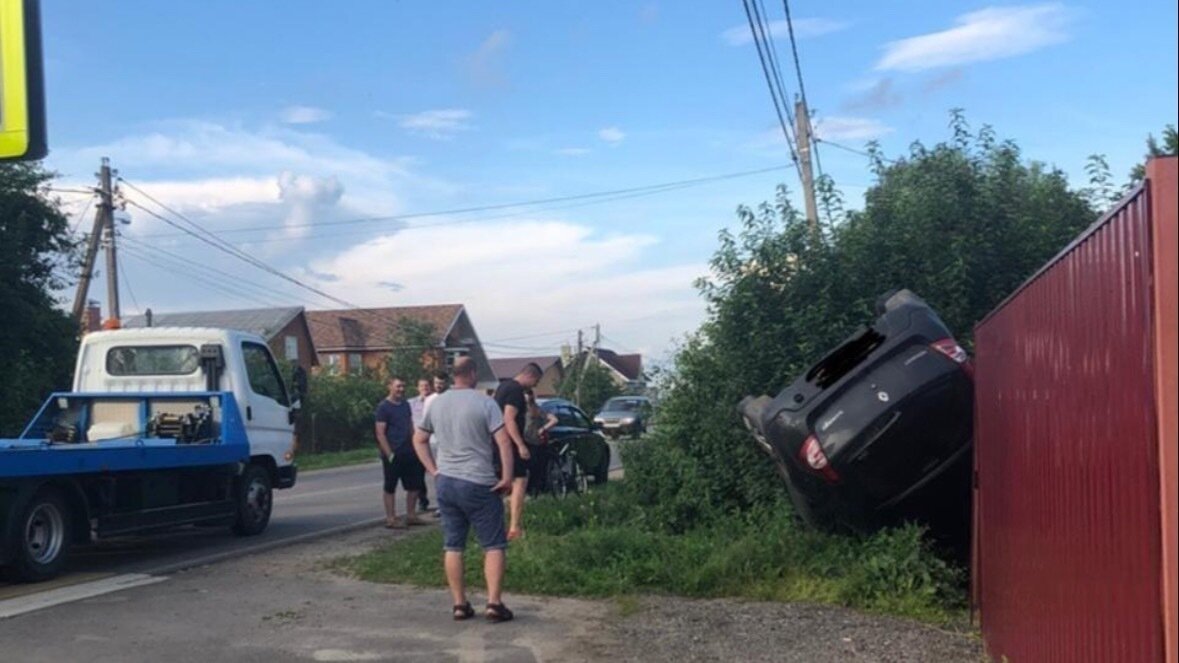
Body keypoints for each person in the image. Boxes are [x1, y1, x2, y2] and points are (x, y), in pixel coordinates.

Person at [413, 357, 515, 622]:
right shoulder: (485, 402)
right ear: (472, 374)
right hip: (479, 481)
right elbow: (503, 441)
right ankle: (493, 603)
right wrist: (506, 477)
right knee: (493, 544)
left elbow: (419, 439)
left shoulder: (437, 403)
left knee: (453, 545)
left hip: (446, 481)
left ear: (452, 375)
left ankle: (459, 604)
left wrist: (434, 470)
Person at [493, 363, 543, 541]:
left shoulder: (503, 386)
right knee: (519, 481)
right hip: (509, 444)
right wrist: (520, 444)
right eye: (535, 382)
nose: (534, 386)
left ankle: (496, 526)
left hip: (496, 442)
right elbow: (509, 418)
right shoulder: (515, 391)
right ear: (530, 376)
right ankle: (514, 527)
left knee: (501, 484)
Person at [374, 376, 426, 529]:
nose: (401, 389)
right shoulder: (383, 407)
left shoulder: (405, 405)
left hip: (409, 450)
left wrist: (415, 444)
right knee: (390, 486)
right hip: (393, 453)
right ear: (390, 386)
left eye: (403, 386)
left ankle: (411, 515)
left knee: (414, 485)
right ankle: (391, 518)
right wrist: (389, 454)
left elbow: (410, 425)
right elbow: (380, 433)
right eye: (398, 386)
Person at [523, 389, 559, 494]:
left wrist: (543, 429)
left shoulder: (536, 409)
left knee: (535, 468)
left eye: (528, 394)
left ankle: (533, 490)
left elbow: (554, 420)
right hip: (524, 440)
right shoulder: (520, 408)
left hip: (534, 442)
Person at [409, 377, 435, 512]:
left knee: (436, 471)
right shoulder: (411, 403)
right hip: (418, 441)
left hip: (435, 441)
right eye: (422, 386)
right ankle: (422, 500)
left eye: (427, 385)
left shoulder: (436, 401)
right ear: (417, 388)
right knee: (418, 473)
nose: (424, 388)